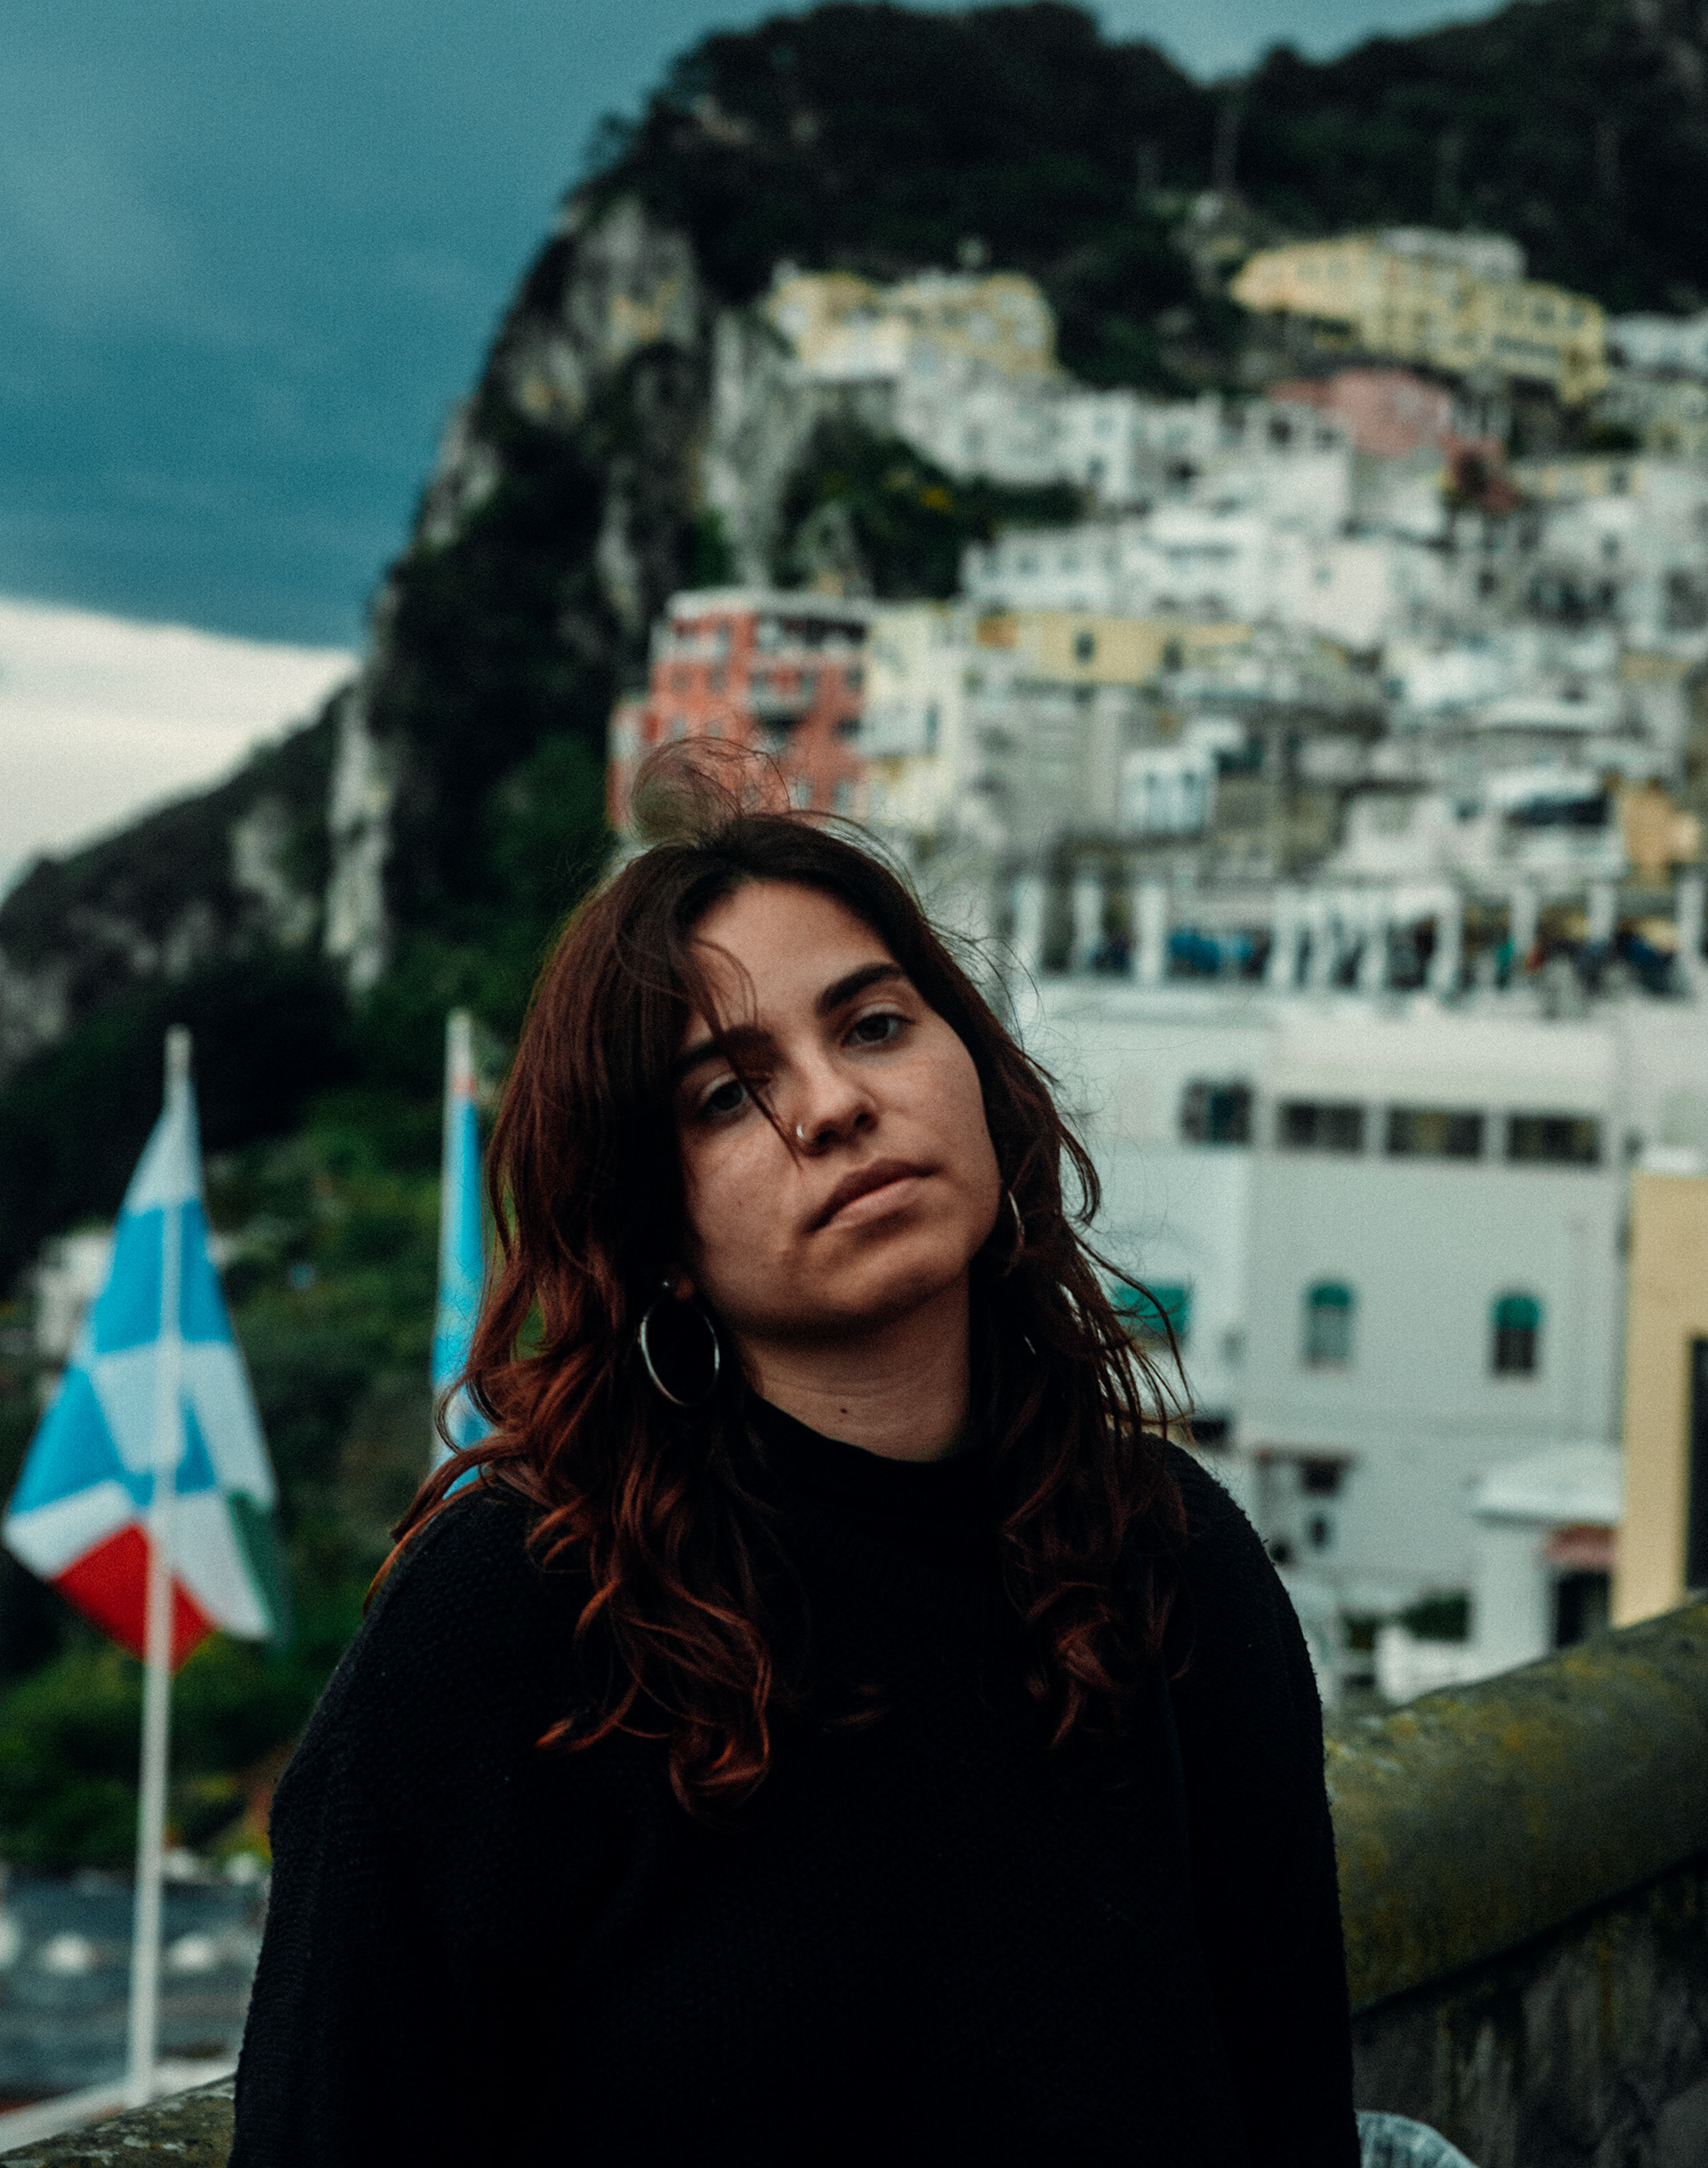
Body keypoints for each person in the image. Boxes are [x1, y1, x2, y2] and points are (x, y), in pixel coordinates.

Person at [231, 752, 1360, 2168]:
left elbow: (1288, 2101)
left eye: (875, 1026)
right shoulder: (514, 1621)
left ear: (981, 1074)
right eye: (725, 1095)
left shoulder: (1167, 1557)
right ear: (652, 1230)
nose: (831, 1106)